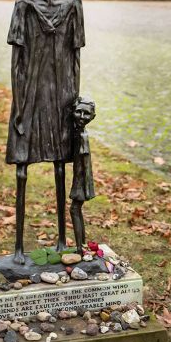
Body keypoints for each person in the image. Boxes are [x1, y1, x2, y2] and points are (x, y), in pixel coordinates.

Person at [5, 0, 85, 264]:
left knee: (59, 167)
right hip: (32, 97)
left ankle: (63, 239)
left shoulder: (73, 5)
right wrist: (20, 108)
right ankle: (19, 247)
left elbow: (76, 58)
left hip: (62, 97)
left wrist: (76, 106)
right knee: (23, 170)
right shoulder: (23, 5)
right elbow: (17, 63)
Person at [69, 97, 96, 253]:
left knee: (74, 209)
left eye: (86, 114)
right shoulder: (79, 132)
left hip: (81, 180)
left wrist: (84, 188)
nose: (81, 117)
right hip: (80, 179)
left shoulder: (82, 136)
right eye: (78, 112)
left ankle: (80, 247)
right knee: (76, 210)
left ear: (92, 117)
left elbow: (84, 165)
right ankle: (82, 245)